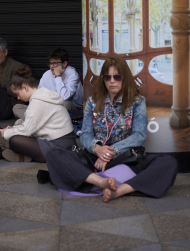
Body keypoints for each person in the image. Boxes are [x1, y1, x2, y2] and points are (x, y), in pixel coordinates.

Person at [39, 56, 177, 202]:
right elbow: (85, 134)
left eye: (117, 77)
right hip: (94, 156)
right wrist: (97, 148)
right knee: (54, 153)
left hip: (125, 156)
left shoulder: (137, 101)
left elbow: (139, 135)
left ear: (124, 78)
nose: (112, 81)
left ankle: (119, 191)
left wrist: (111, 152)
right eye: (107, 77)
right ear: (103, 79)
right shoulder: (93, 100)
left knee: (168, 162)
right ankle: (102, 182)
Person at [0, 71, 76, 162]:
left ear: (25, 87)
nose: (18, 98)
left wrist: (7, 132)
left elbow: (26, 130)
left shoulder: (38, 101)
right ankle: (25, 155)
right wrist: (14, 129)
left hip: (60, 147)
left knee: (14, 140)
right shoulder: (43, 94)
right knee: (17, 136)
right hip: (66, 143)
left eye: (17, 94)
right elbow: (32, 126)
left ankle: (26, 155)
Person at [13, 47, 83, 122]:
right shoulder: (47, 74)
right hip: (49, 108)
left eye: (55, 63)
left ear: (64, 64)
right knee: (17, 107)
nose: (52, 66)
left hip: (73, 109)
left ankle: (36, 121)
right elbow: (38, 95)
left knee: (65, 104)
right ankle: (40, 121)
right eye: (50, 63)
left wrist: (57, 76)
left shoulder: (72, 74)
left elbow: (64, 97)